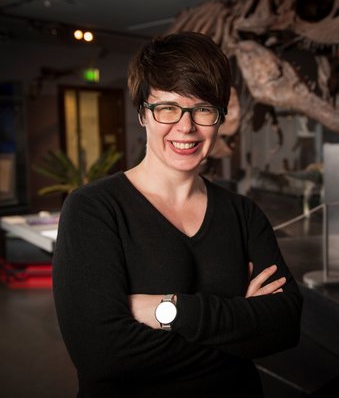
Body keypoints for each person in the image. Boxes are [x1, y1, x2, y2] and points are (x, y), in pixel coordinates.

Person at [52, 31, 302, 398]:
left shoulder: (243, 213)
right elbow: (102, 356)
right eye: (167, 107)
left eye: (203, 109)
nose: (186, 127)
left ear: (219, 118)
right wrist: (239, 324)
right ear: (142, 114)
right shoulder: (93, 209)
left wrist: (169, 311)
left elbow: (284, 324)